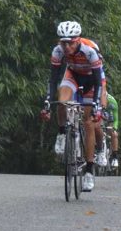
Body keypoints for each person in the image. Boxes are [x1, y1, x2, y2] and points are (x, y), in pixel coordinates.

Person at [41, 21, 103, 192]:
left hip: (92, 79)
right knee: (62, 101)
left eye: (70, 42)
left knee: (89, 123)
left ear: (78, 40)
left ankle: (89, 171)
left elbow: (99, 82)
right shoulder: (58, 51)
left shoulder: (90, 51)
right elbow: (53, 79)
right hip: (74, 74)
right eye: (63, 42)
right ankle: (62, 133)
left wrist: (96, 105)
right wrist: (47, 102)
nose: (66, 46)